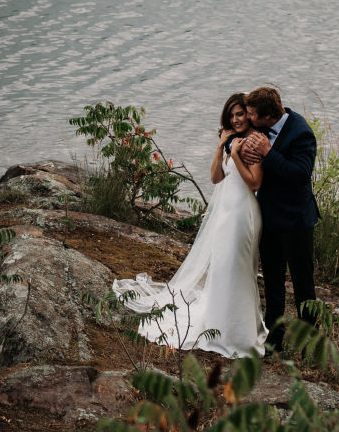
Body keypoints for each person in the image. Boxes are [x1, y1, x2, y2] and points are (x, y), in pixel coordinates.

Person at [111, 93, 268, 357]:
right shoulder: (230, 140)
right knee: (222, 268)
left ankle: (239, 333)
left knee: (238, 268)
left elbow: (254, 183)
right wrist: (222, 146)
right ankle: (219, 324)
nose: (236, 119)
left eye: (240, 114)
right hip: (225, 214)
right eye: (231, 116)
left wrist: (236, 154)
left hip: (243, 213)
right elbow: (216, 177)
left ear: (249, 114)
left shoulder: (252, 141)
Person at [237, 86, 319, 353]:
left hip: (296, 222)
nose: (247, 117)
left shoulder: (301, 132)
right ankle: (274, 339)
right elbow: (230, 133)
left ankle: (310, 343)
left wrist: (269, 153)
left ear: (268, 116)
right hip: (269, 219)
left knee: (303, 286)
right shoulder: (258, 127)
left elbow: (300, 174)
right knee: (273, 283)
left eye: (251, 113)